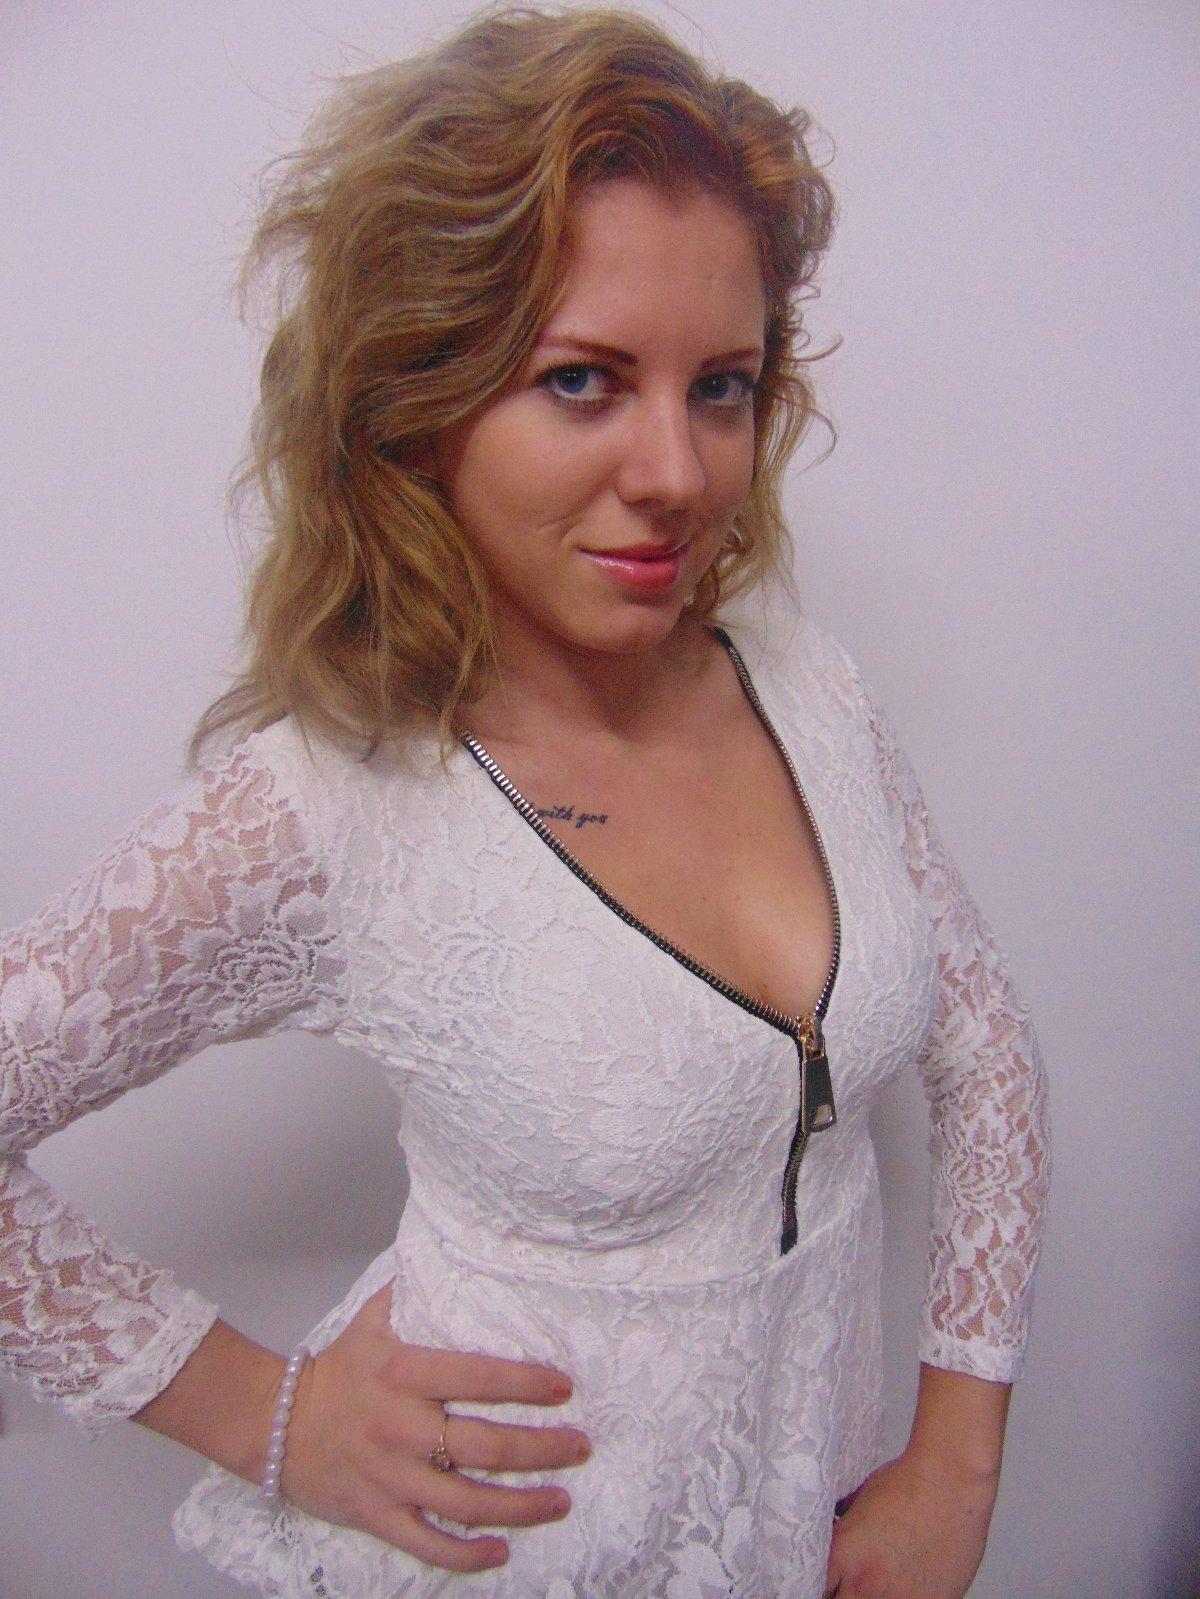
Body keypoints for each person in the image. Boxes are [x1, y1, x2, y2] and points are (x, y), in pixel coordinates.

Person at [0, 5, 1052, 1596]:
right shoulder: (327, 809)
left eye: (721, 387)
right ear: (417, 399)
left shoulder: (802, 680)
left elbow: (983, 1054)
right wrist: (267, 1414)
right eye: (581, 381)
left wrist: (957, 1459)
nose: (678, 474)